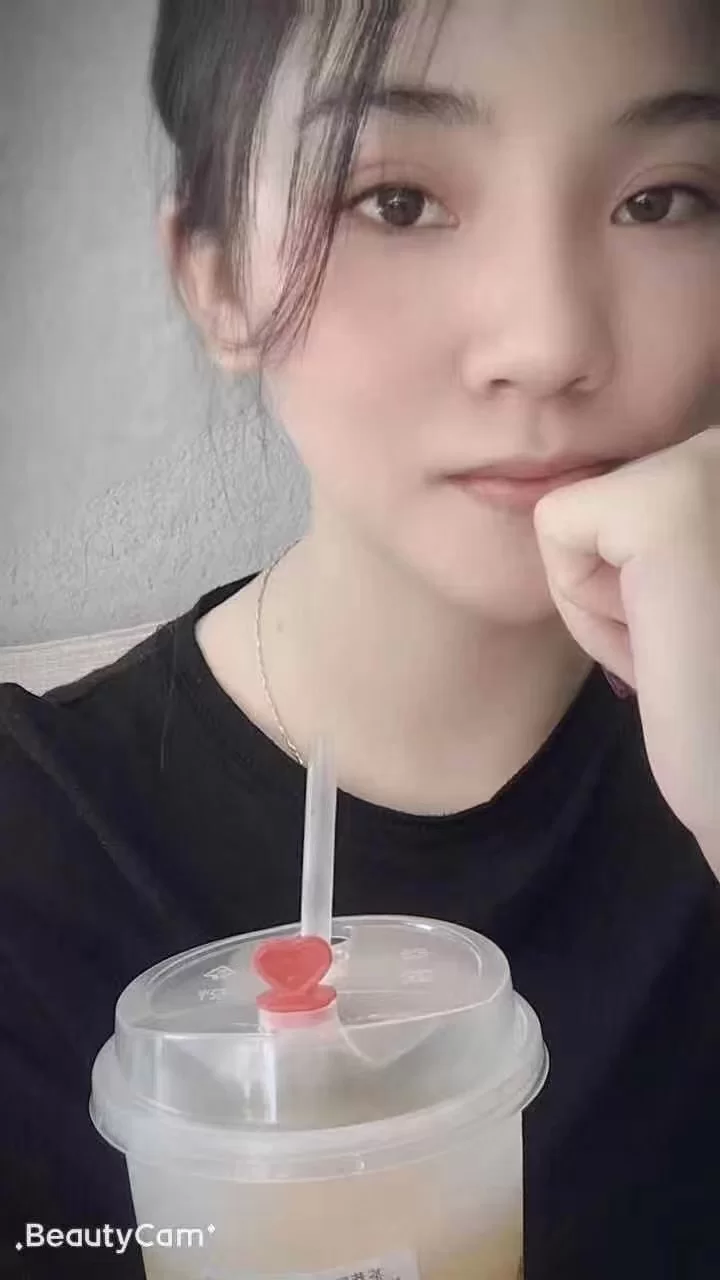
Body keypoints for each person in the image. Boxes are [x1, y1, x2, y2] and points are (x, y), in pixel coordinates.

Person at [2, 0, 720, 1275]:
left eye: (662, 200)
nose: (548, 343)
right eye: (397, 200)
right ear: (217, 281)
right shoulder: (34, 852)